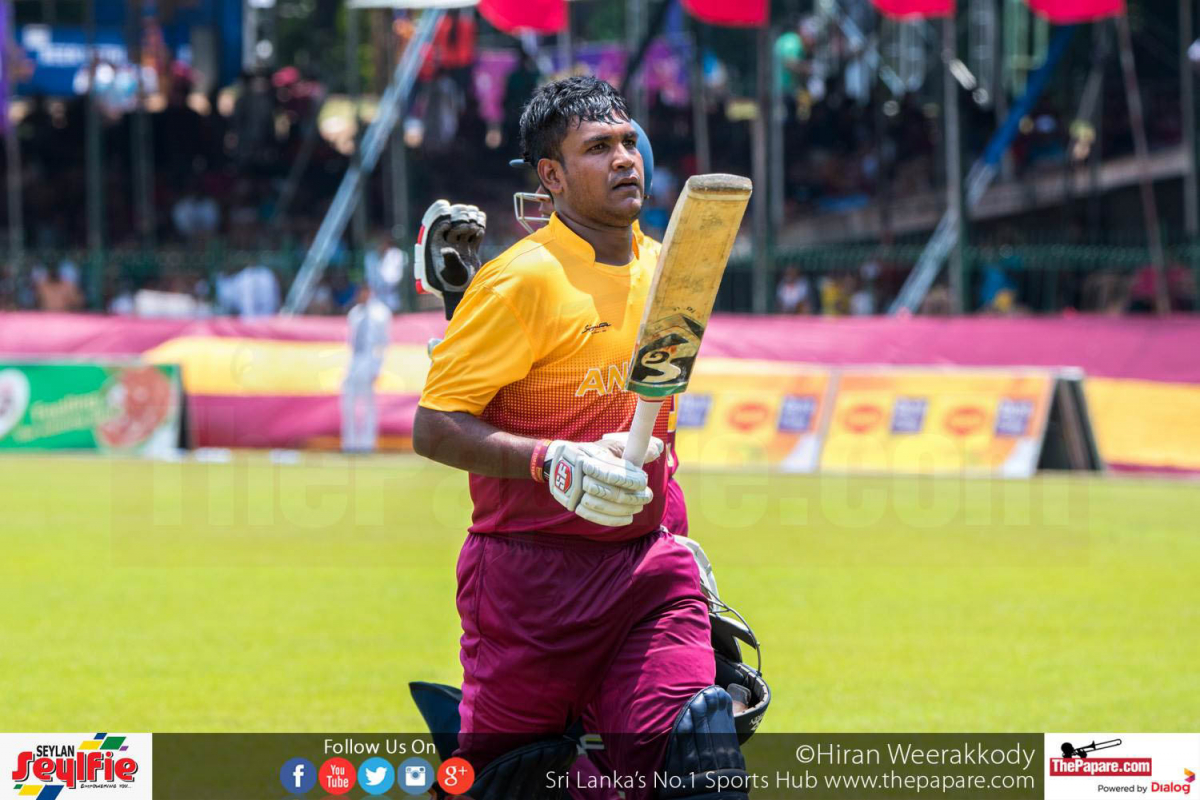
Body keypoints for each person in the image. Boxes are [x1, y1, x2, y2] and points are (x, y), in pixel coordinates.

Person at [412, 76, 748, 800]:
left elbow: (654, 428)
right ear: (552, 176)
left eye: (629, 142)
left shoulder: (670, 269)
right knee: (516, 782)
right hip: (530, 584)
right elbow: (434, 426)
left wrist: (676, 534)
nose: (625, 158)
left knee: (700, 765)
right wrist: (551, 460)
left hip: (648, 572)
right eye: (598, 148)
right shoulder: (519, 282)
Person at [341, 266, 393, 454]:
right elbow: (351, 342)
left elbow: (384, 343)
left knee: (369, 405)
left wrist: (377, 368)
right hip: (355, 360)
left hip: (370, 359)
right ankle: (350, 443)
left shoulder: (381, 313)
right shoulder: (355, 313)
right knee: (349, 403)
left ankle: (367, 444)